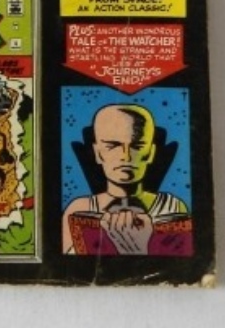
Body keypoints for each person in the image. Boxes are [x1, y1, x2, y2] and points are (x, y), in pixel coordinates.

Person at [61, 104, 188, 255]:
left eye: (137, 146)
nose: (125, 156)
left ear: (151, 153)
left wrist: (136, 249)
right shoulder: (79, 209)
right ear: (98, 153)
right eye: (112, 146)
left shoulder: (173, 208)